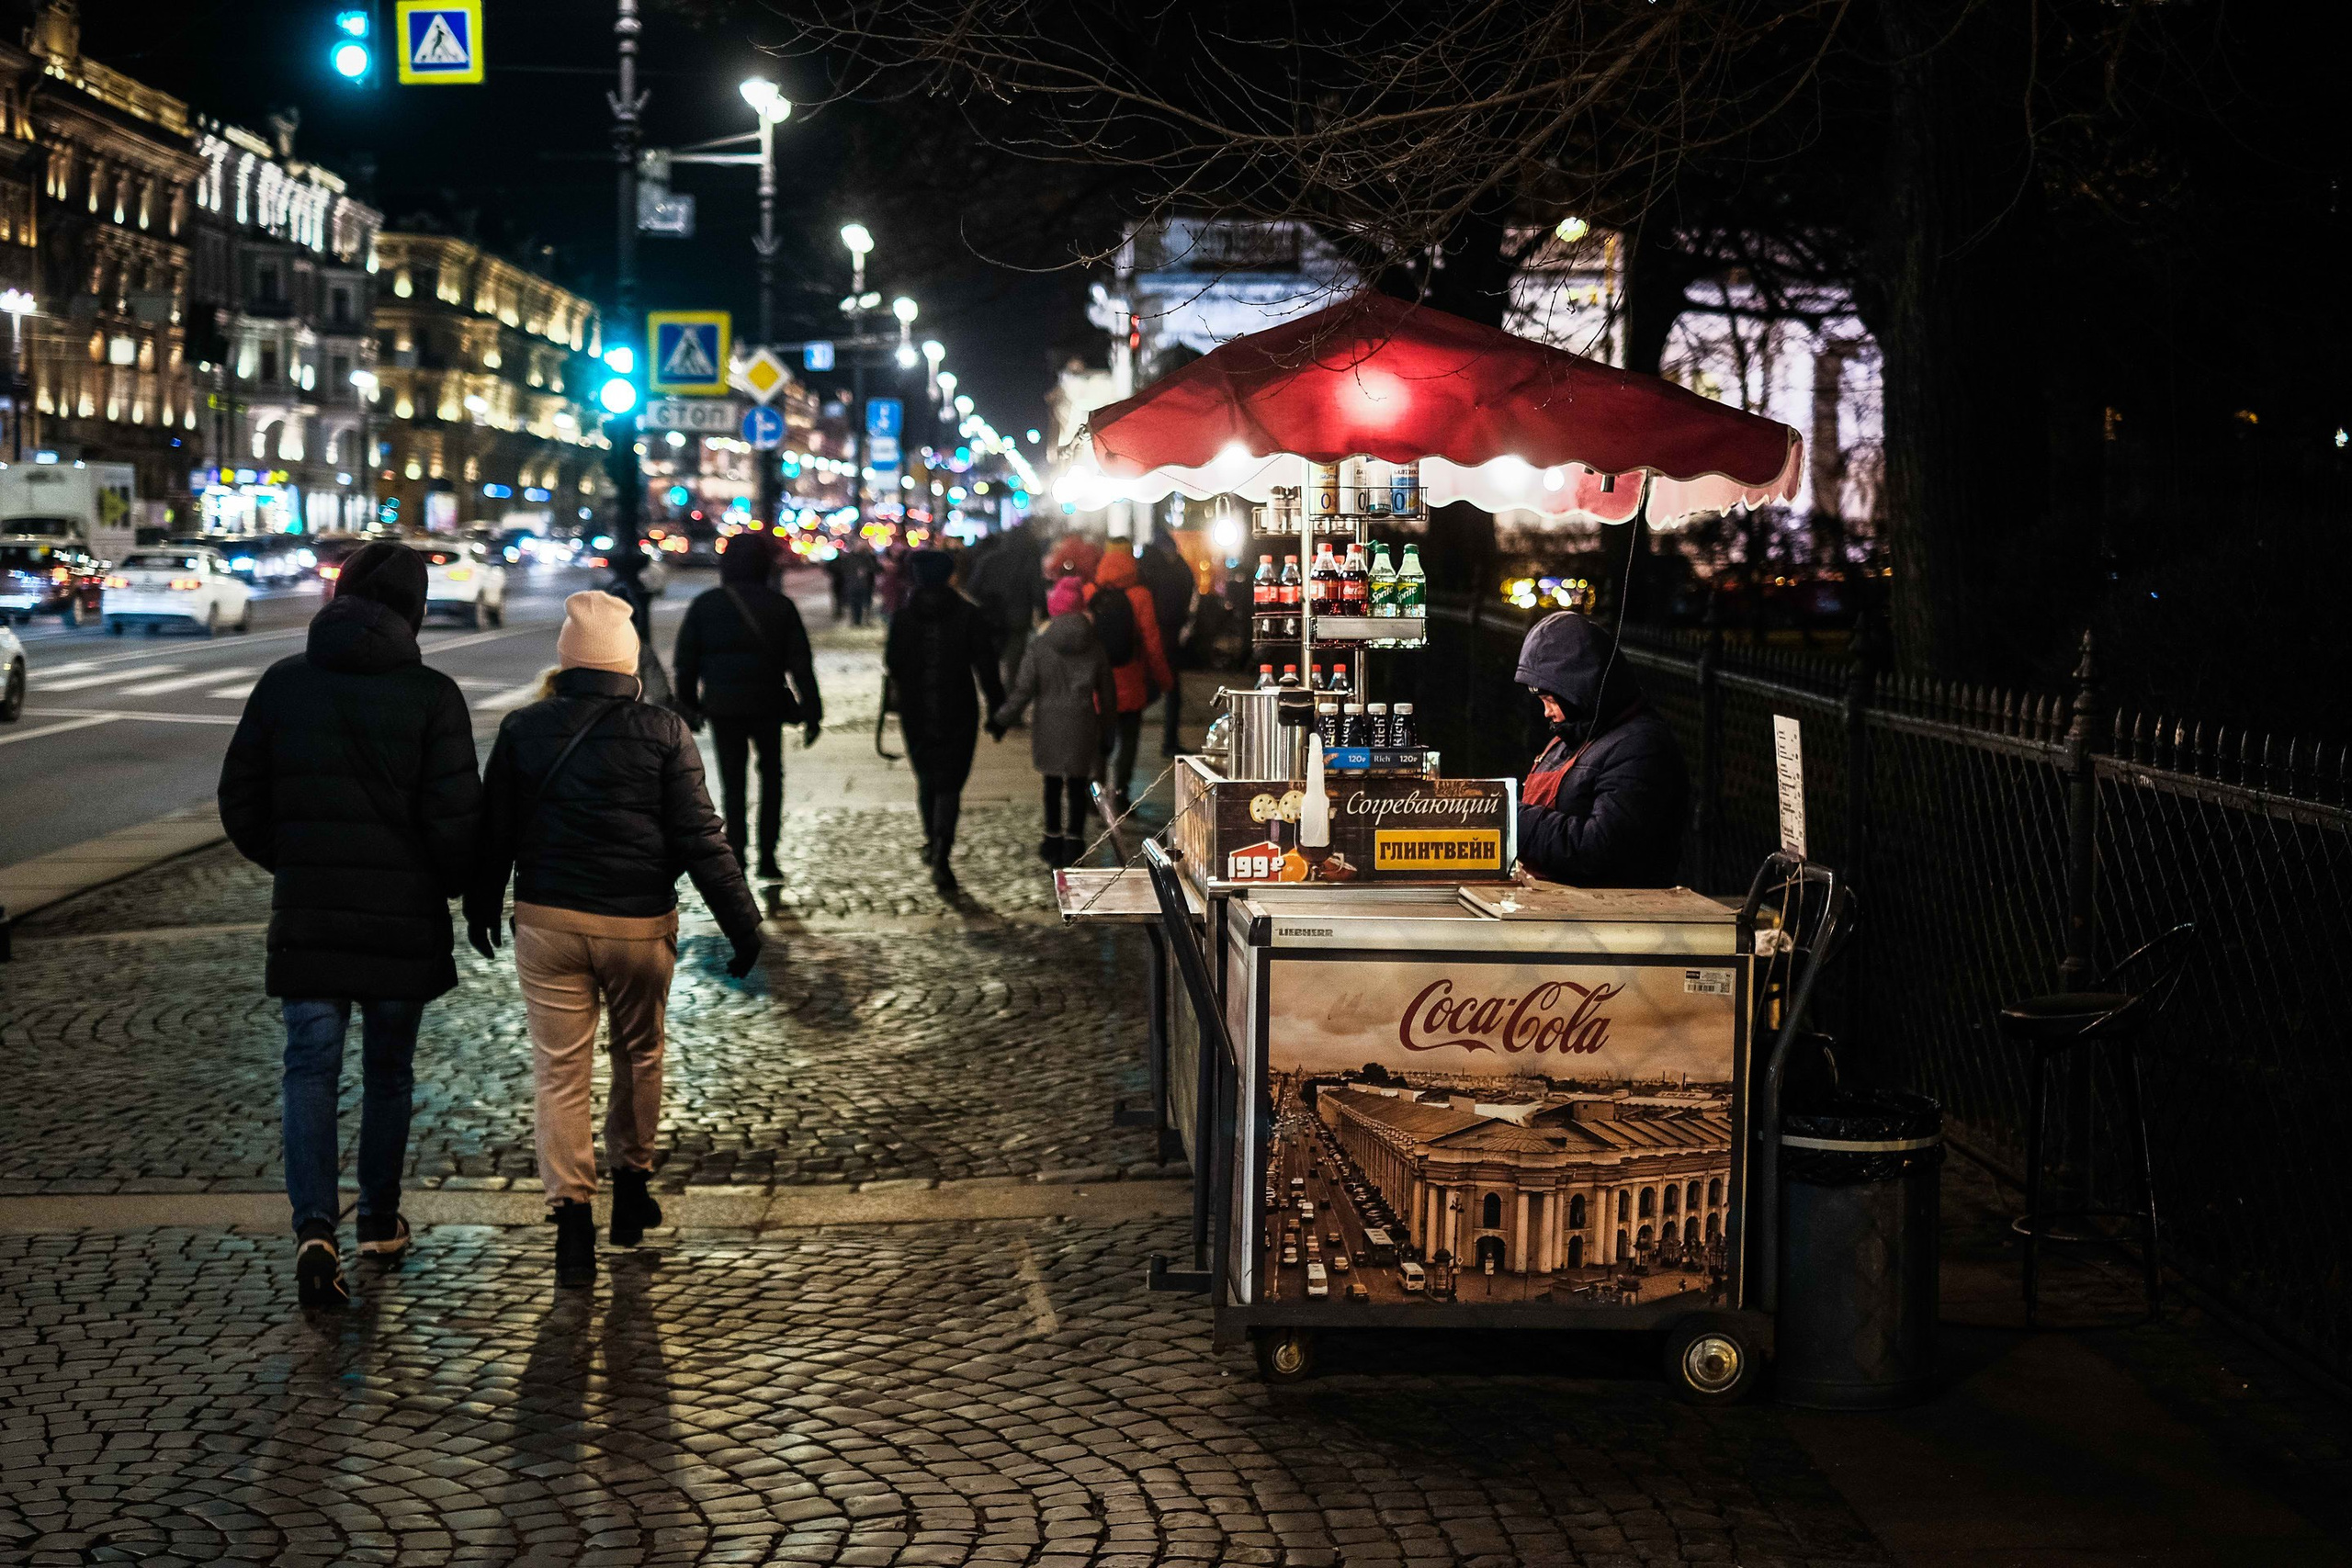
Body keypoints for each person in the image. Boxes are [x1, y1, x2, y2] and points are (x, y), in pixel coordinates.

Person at [467, 592, 763, 1290]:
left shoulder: (523, 728)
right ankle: (631, 1187)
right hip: (637, 925)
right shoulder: (664, 730)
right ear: (627, 663)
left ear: (567, 661)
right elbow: (700, 836)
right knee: (641, 1052)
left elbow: (495, 830)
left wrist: (481, 902)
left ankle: (572, 1224)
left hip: (549, 923)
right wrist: (742, 923)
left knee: (560, 1072)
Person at [217, 542, 482, 1308]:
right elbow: (455, 825)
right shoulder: (433, 695)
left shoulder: (284, 684)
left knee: (309, 1068)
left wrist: (297, 860)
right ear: (415, 610)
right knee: (389, 1072)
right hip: (403, 923)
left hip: (308, 916)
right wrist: (450, 883)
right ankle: (377, 1218)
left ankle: (313, 1231)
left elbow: (241, 800)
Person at [673, 532, 821, 878]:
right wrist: (812, 711)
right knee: (772, 777)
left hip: (723, 707)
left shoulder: (706, 605)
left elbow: (686, 664)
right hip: (767, 703)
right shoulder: (780, 606)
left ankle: (737, 853)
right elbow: (801, 664)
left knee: (732, 782)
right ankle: (768, 855)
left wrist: (690, 706)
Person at [1513, 610, 1690, 886]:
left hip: (1616, 918)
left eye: (1551, 699)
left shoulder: (1642, 748)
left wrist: (1513, 818)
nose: (1546, 712)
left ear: (1577, 688)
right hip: (1555, 902)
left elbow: (1599, 850)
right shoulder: (1572, 736)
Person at [884, 549, 1007, 894]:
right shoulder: (968, 614)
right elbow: (986, 667)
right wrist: (998, 711)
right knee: (950, 784)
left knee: (926, 777)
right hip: (958, 707)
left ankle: (931, 841)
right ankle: (942, 852)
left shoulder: (904, 616)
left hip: (917, 709)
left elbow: (893, 662)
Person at [992, 574, 1117, 867]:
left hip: (1048, 724)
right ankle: (1074, 841)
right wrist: (1109, 729)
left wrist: (1001, 719)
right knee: (1076, 785)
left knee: (1051, 785)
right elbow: (1108, 694)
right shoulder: (1094, 645)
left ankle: (1052, 839)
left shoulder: (1040, 646)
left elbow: (1023, 689)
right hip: (1083, 723)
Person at [1085, 545, 1175, 814]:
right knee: (1128, 741)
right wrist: (1164, 680)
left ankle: (1096, 796)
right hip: (1130, 679)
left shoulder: (1090, 593)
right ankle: (1121, 794)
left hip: (1097, 682)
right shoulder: (1140, 595)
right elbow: (1152, 642)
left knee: (1099, 742)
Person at [967, 522, 1046, 696]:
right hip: (1018, 618)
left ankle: (995, 702)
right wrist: (1043, 612)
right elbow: (1037, 590)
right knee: (1014, 663)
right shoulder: (1029, 561)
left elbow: (972, 587)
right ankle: (1011, 705)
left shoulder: (988, 559)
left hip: (991, 618)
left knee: (991, 661)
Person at [1136, 525, 1196, 757]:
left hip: (1152, 635)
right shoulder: (1172, 569)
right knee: (1169, 690)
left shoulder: (1144, 567)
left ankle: (1166, 740)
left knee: (1158, 688)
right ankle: (1169, 742)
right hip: (1166, 636)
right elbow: (1182, 599)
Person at [839, 543, 878, 626]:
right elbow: (842, 569)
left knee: (864, 603)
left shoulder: (866, 557)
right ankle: (856, 621)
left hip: (863, 584)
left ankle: (861, 620)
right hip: (854, 584)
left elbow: (874, 568)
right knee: (855, 604)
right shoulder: (850, 558)